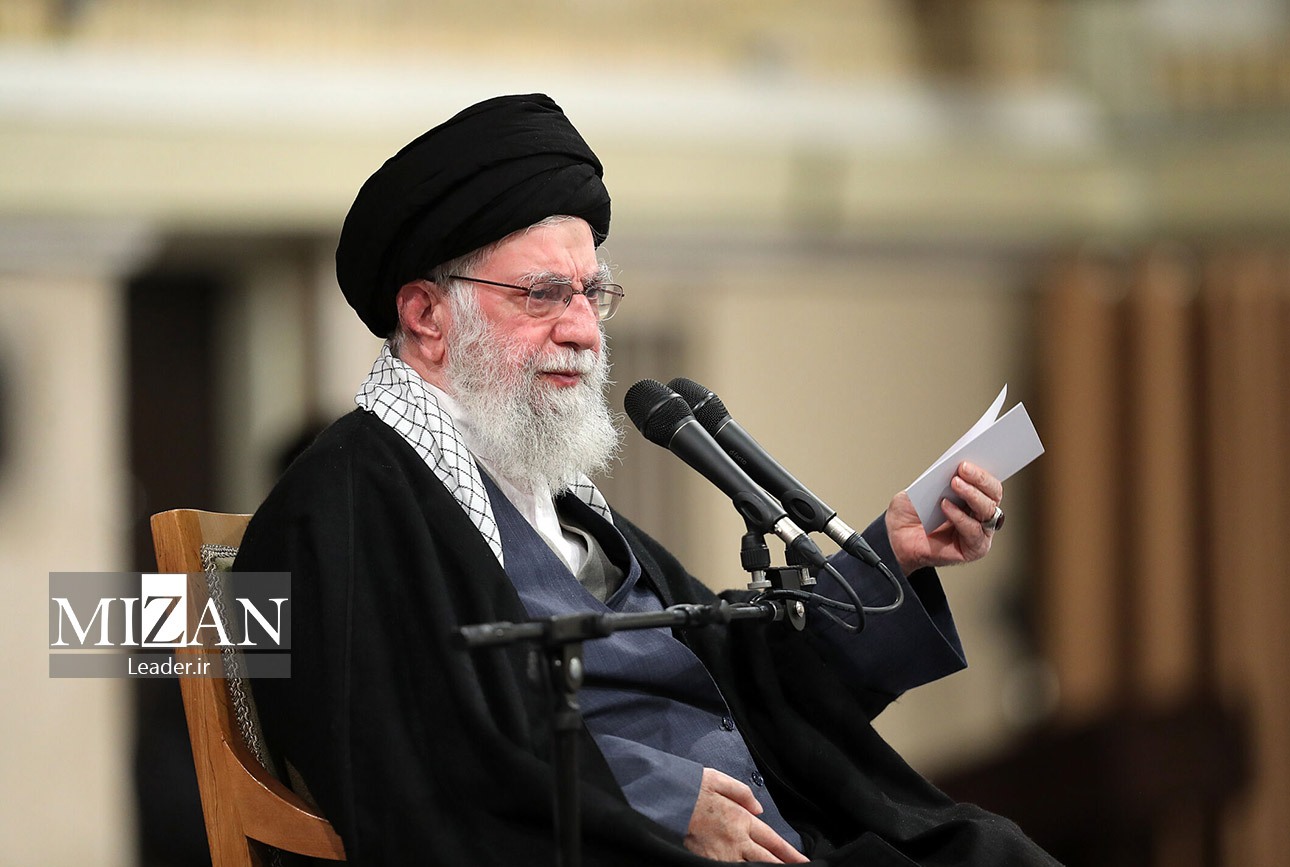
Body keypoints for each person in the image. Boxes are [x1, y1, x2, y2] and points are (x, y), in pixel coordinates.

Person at [237, 93, 1058, 865]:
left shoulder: (549, 494)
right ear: (426, 315)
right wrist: (655, 799)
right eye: (544, 295)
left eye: (592, 294)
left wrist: (890, 557)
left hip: (787, 835)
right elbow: (405, 759)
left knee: (989, 850)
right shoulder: (338, 507)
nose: (584, 330)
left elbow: (749, 686)